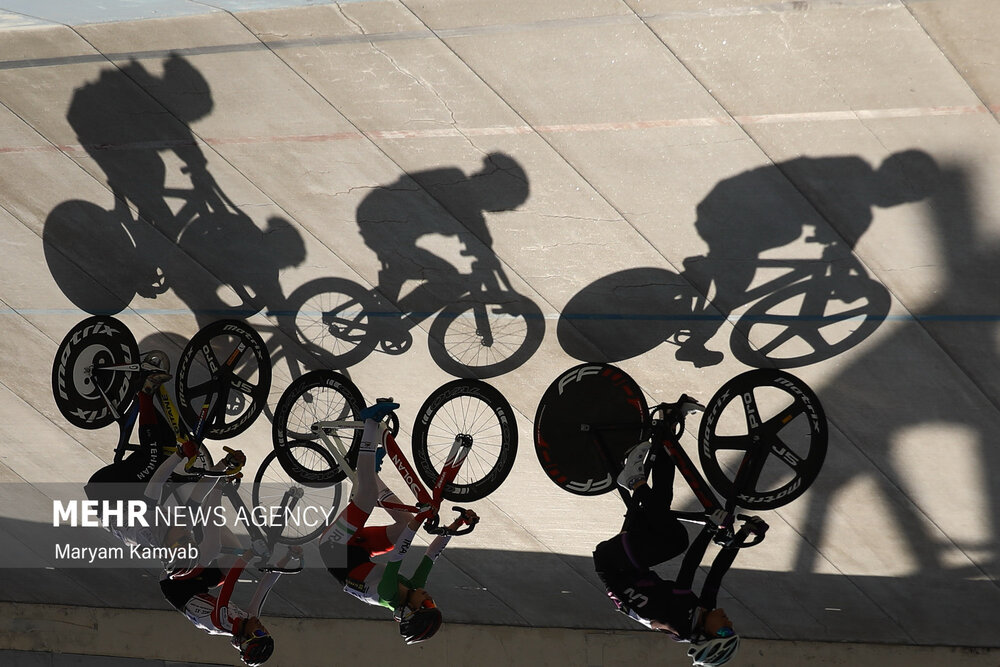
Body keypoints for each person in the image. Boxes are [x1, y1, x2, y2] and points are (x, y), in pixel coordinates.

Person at [318, 401, 478, 644]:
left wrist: (420, 521)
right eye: (433, 602)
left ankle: (370, 424)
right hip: (360, 550)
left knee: (367, 496)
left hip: (333, 550)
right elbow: (432, 554)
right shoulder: (413, 589)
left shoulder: (388, 594)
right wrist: (457, 524)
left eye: (426, 604)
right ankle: (374, 475)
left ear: (410, 610)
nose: (429, 597)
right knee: (404, 523)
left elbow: (398, 555)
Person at [593, 442, 742, 666]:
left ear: (704, 636)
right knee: (661, 504)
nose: (729, 624)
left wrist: (710, 529)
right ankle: (663, 437)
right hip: (629, 565)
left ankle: (633, 480)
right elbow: (715, 575)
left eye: (723, 632)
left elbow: (689, 566)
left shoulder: (680, 622)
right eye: (731, 630)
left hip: (614, 563)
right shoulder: (700, 618)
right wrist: (742, 536)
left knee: (676, 541)